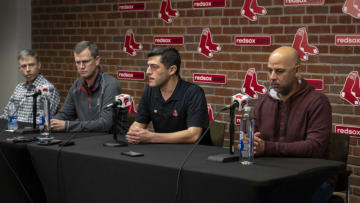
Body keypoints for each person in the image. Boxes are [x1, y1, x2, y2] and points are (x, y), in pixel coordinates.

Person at [252, 46, 333, 203]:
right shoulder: (262, 102)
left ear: (297, 71)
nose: (272, 77)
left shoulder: (317, 102)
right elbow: (254, 139)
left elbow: (315, 147)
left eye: (279, 71)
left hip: (313, 179)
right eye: (270, 71)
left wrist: (267, 147)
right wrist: (251, 143)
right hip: (271, 175)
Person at [126, 47, 212, 145]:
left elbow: (193, 135)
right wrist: (134, 133)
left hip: (195, 154)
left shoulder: (193, 92)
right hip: (164, 151)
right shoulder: (149, 90)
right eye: (148, 66)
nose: (148, 72)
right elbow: (138, 124)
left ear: (172, 70)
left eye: (154, 66)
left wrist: (151, 137)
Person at [51, 41, 128, 133]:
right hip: (86, 139)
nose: (81, 66)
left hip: (110, 142)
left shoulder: (110, 84)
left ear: (97, 60)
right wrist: (52, 122)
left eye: (86, 61)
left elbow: (105, 124)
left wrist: (67, 126)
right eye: (78, 62)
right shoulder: (77, 84)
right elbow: (66, 114)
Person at [1, 49, 60, 124]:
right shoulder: (19, 87)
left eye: (31, 65)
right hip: (13, 130)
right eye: (24, 66)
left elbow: (44, 121)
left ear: (39, 65)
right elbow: (7, 114)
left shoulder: (47, 89)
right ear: (19, 69)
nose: (28, 69)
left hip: (32, 133)